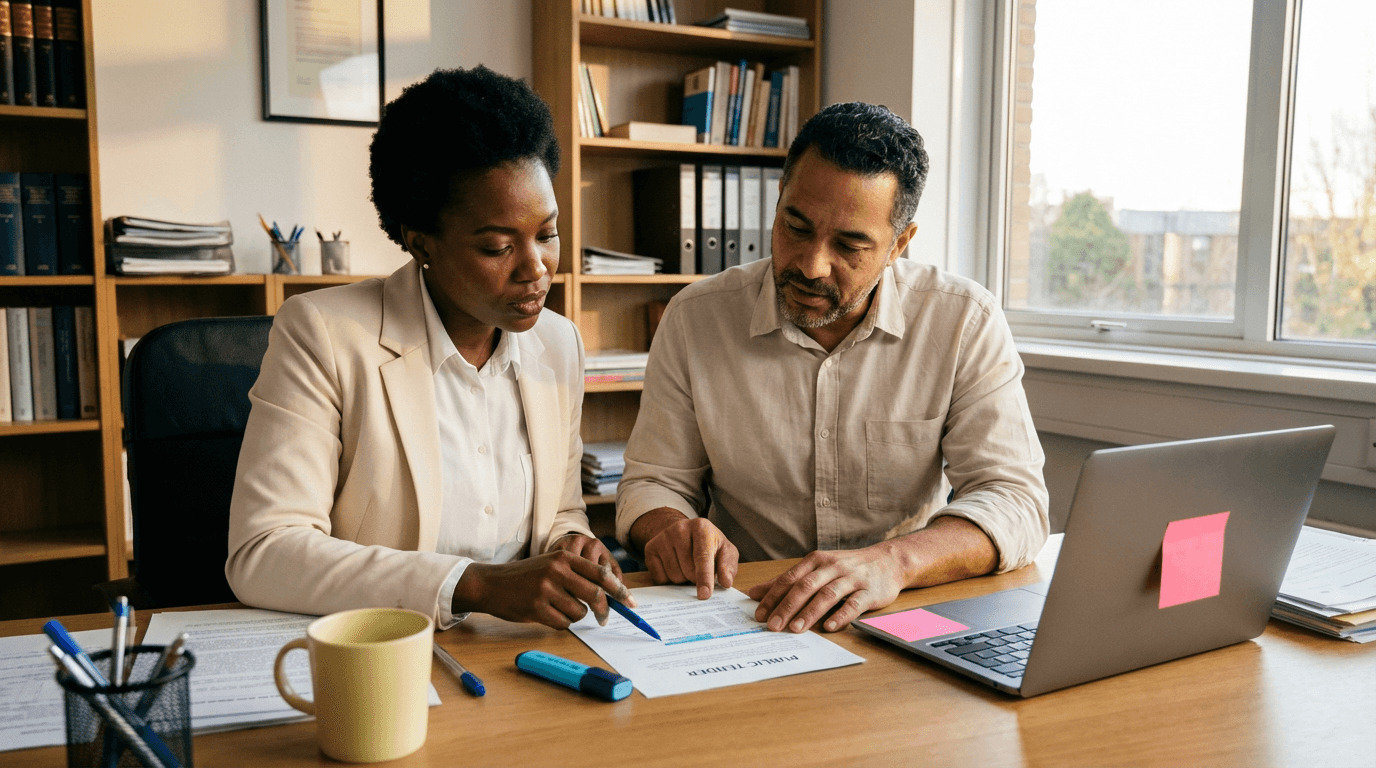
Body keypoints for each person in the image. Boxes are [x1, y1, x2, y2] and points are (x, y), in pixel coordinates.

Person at [616, 102, 1048, 634]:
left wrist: (894, 562)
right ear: (778, 201)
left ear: (899, 244)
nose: (810, 264)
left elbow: (1016, 500)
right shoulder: (695, 318)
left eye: (849, 245)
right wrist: (672, 528)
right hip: (747, 614)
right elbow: (653, 481)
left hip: (899, 612)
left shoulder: (963, 320)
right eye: (795, 226)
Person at [227, 66, 634, 630]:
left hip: (523, 653)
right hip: (385, 652)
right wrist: (476, 585)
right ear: (422, 244)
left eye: (547, 233)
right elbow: (264, 552)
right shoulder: (323, 334)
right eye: (497, 246)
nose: (537, 268)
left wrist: (573, 543)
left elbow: (561, 511)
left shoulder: (557, 344)